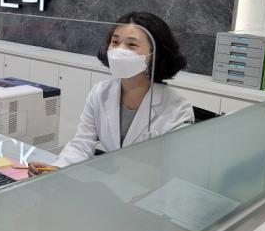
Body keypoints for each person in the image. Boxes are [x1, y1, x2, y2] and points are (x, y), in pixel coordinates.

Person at [29, 12, 193, 175]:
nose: (119, 50)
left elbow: (178, 170)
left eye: (131, 45)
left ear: (155, 54)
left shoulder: (178, 108)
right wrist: (57, 169)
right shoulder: (100, 93)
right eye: (115, 42)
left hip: (153, 188)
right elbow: (82, 143)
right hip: (113, 183)